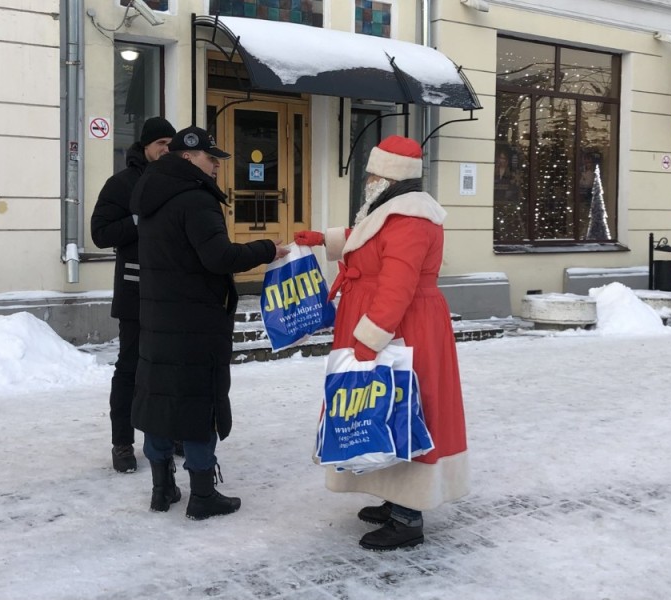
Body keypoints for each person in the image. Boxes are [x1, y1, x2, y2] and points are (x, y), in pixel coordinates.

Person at [295, 135, 469, 551]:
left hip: (404, 325)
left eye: (374, 172)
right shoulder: (394, 210)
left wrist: (371, 338)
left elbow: (398, 285)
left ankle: (409, 515)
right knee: (382, 406)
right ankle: (395, 498)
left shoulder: (411, 218)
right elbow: (368, 236)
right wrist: (325, 240)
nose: (368, 177)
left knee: (407, 408)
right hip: (392, 321)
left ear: (390, 175)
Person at [129, 125, 290, 519]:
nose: (216, 165)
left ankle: (161, 488)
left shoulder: (152, 196)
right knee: (198, 402)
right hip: (195, 318)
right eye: (209, 157)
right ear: (187, 158)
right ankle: (202, 495)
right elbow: (218, 257)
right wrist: (267, 248)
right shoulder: (196, 200)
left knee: (161, 400)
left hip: (158, 316)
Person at [90, 116, 175, 473]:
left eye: (172, 145)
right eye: (161, 145)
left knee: (171, 369)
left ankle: (174, 434)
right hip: (135, 291)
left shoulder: (177, 183)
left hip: (173, 293)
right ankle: (122, 443)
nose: (167, 151)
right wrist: (139, 222)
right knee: (130, 368)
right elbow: (100, 233)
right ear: (146, 146)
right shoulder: (122, 184)